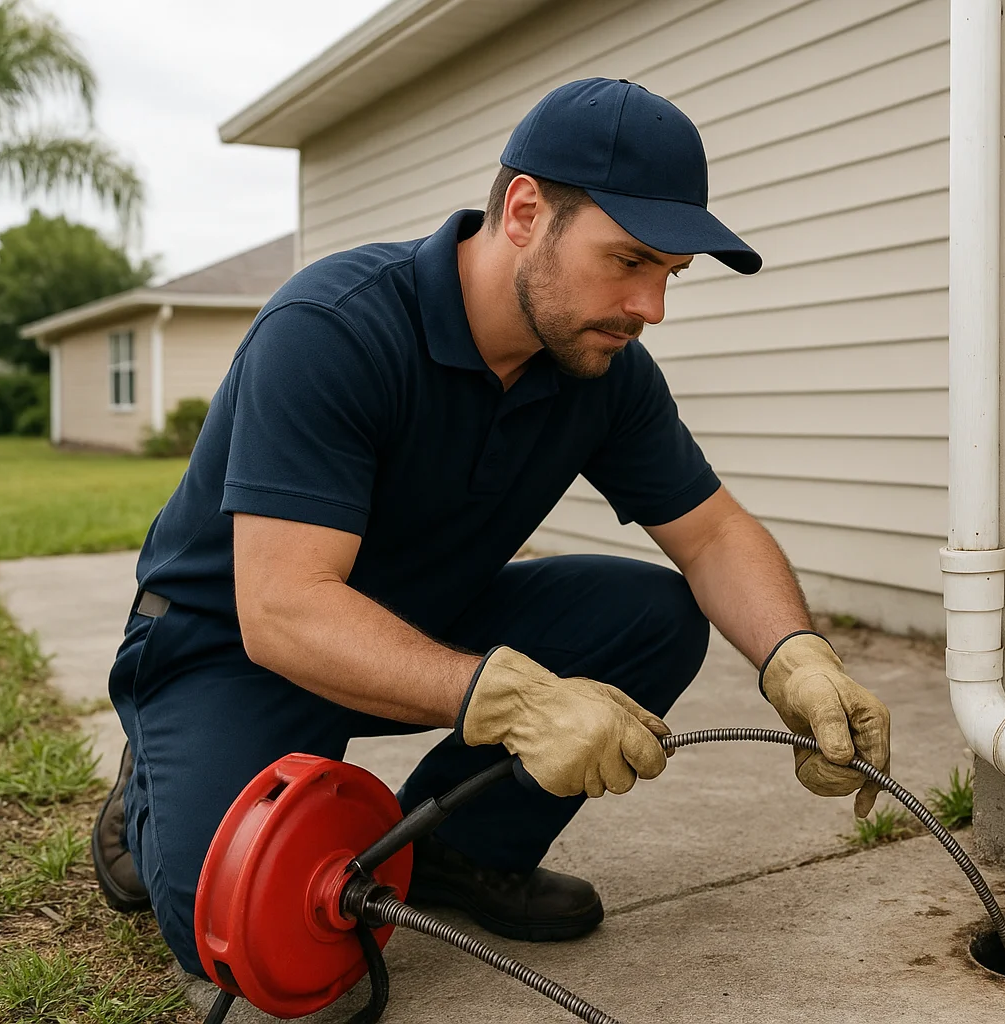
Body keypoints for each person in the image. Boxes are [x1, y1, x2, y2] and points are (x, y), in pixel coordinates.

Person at [91, 77, 891, 976]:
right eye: (628, 260)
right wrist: (515, 703)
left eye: (670, 275)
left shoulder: (600, 366)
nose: (650, 309)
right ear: (522, 211)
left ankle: (455, 852)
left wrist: (798, 658)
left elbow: (711, 534)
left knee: (652, 615)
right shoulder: (333, 328)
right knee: (243, 931)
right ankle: (155, 783)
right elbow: (281, 609)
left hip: (421, 622)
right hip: (233, 645)